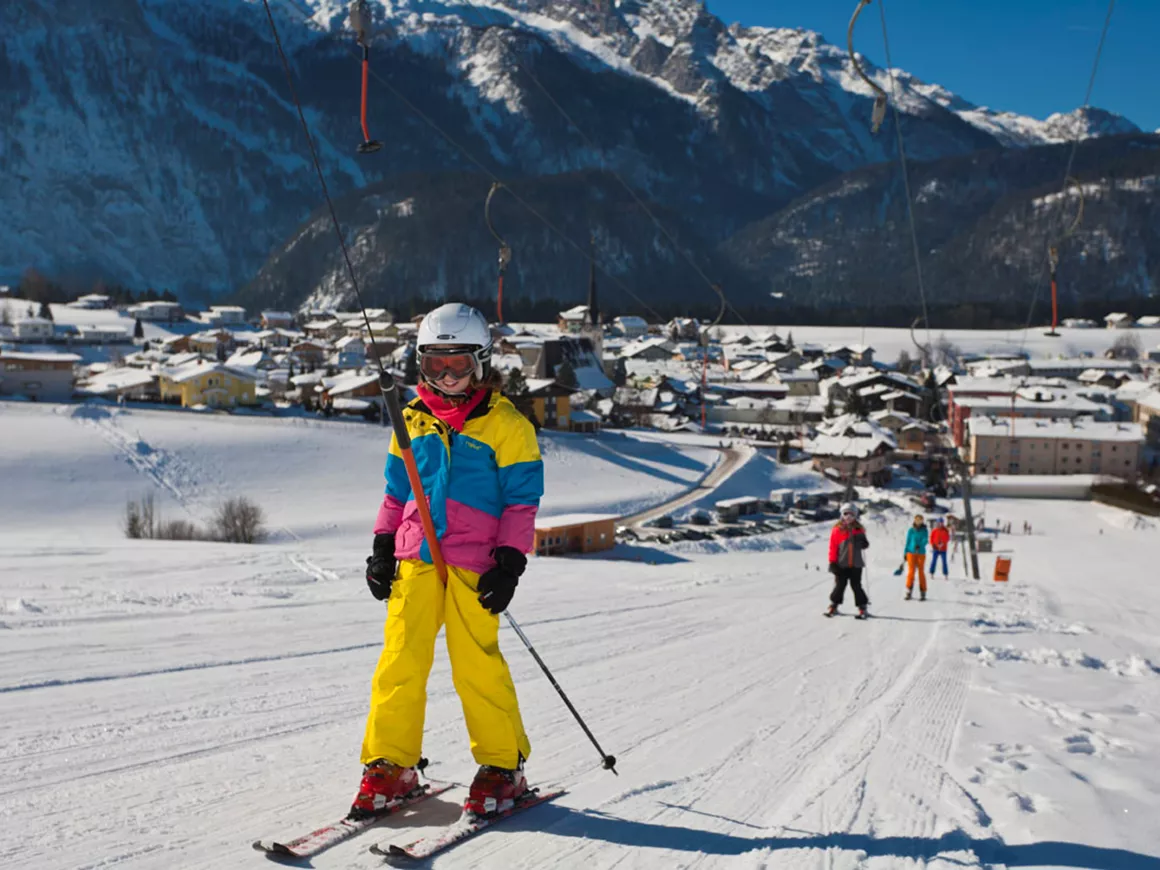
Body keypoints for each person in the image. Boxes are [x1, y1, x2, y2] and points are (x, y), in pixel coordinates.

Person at [351, 303, 543, 820]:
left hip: (475, 563)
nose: (448, 376)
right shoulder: (410, 420)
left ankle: (502, 765)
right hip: (416, 557)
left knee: (475, 663)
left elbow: (521, 502)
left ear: (481, 363)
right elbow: (395, 492)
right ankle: (391, 763)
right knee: (400, 660)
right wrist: (382, 547)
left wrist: (509, 563)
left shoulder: (507, 426)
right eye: (436, 364)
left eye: (459, 363)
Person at [826, 502, 870, 618]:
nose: (848, 517)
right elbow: (833, 547)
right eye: (846, 514)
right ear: (842, 515)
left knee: (856, 586)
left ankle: (862, 607)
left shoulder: (859, 529)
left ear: (855, 516)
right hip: (841, 564)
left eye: (851, 514)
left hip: (856, 564)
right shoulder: (837, 530)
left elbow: (864, 544)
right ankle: (834, 605)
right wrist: (832, 562)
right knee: (840, 585)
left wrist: (864, 543)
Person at [904, 514, 928, 601]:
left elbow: (925, 540)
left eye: (920, 520)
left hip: (920, 553)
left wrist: (919, 545)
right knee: (911, 572)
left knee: (921, 572)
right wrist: (905, 553)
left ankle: (923, 591)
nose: (918, 521)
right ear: (914, 520)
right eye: (916, 520)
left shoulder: (924, 530)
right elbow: (908, 541)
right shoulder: (911, 530)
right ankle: (908, 591)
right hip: (911, 553)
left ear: (922, 521)